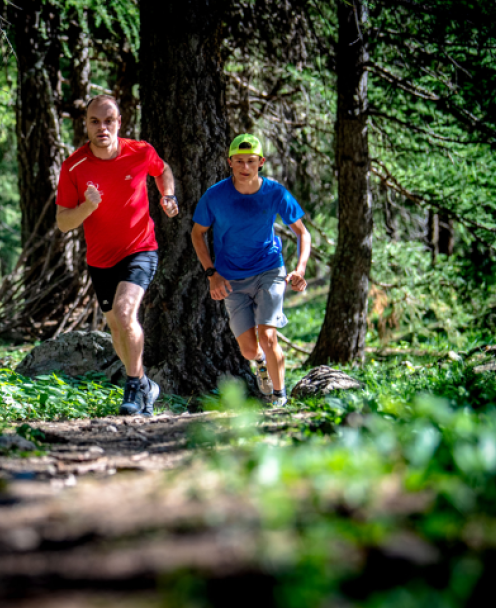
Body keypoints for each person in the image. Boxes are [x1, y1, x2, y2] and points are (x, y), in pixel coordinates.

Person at [55, 95, 179, 417]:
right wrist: (87, 207)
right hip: (101, 260)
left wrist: (168, 196)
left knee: (125, 313)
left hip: (140, 248)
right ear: (86, 125)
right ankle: (146, 384)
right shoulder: (74, 166)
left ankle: (134, 387)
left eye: (109, 121)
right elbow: (63, 222)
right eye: (95, 122)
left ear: (119, 123)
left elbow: (162, 170)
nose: (103, 128)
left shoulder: (140, 152)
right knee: (115, 327)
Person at [190, 133, 312, 407]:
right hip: (231, 278)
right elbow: (197, 234)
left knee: (268, 336)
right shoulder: (215, 196)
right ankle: (261, 363)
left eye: (251, 161)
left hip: (269, 269)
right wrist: (212, 274)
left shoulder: (275, 193)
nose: (245, 167)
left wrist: (300, 269)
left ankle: (279, 398)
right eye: (239, 161)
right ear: (230, 162)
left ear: (261, 162)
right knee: (248, 350)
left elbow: (303, 233)